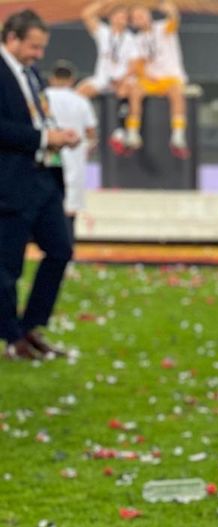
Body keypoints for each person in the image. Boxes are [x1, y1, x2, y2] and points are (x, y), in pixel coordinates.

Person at [1, 8, 81, 361]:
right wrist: (44, 137)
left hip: (42, 178)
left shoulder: (31, 74)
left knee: (60, 248)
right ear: (12, 39)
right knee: (7, 266)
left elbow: (38, 118)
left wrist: (58, 136)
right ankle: (11, 338)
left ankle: (30, 327)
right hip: (9, 182)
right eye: (33, 46)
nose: (39, 54)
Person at [123, 2, 188, 157]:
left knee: (177, 93)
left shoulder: (162, 28)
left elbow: (173, 22)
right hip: (150, 80)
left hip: (170, 78)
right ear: (133, 23)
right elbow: (139, 64)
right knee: (134, 92)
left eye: (143, 14)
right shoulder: (137, 40)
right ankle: (133, 133)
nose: (142, 18)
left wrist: (171, 11)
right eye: (137, 17)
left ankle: (178, 135)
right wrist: (145, 76)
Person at [45, 61, 97, 246]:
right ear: (72, 80)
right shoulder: (80, 101)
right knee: (70, 208)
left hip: (48, 159)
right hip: (74, 160)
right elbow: (91, 133)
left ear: (52, 78)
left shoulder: (44, 97)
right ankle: (66, 249)